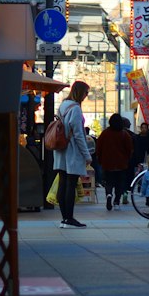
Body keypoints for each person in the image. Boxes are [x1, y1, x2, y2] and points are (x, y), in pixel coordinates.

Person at [53, 80, 92, 229]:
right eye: (86, 93)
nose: (86, 96)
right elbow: (78, 135)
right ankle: (69, 218)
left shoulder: (63, 105)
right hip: (72, 151)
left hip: (60, 149)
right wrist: (87, 155)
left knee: (63, 183)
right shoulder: (75, 109)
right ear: (80, 92)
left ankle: (64, 218)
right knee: (71, 184)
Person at [95, 113, 134, 212]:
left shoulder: (105, 133)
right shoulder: (124, 134)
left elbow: (98, 147)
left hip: (107, 162)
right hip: (121, 163)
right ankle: (116, 202)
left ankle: (108, 194)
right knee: (119, 183)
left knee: (108, 181)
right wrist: (127, 159)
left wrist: (100, 159)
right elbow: (129, 149)